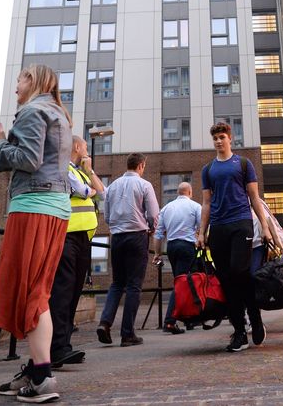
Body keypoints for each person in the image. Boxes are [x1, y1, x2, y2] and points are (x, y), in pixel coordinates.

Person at [0, 64, 72, 403]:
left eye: (19, 79)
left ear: (32, 80)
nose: (16, 86)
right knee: (39, 290)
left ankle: (43, 377)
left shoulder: (32, 110)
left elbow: (27, 159)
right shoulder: (58, 112)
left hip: (33, 206)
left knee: (30, 290)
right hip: (55, 207)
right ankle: (35, 369)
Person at [198, 122, 273, 352]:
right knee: (227, 280)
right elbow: (206, 203)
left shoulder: (243, 164)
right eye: (215, 138)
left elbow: (255, 198)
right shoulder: (208, 170)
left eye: (222, 137)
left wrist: (266, 227)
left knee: (240, 272)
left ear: (230, 138)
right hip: (218, 228)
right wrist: (201, 232)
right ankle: (239, 331)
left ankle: (254, 315)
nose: (218, 141)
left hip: (241, 224)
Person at [48, 135, 105, 367]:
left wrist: (90, 172)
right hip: (66, 236)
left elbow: (101, 191)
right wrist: (89, 187)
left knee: (73, 292)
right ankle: (56, 348)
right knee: (62, 291)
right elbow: (82, 191)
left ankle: (64, 345)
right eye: (83, 146)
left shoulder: (81, 170)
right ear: (76, 147)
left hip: (83, 238)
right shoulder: (63, 168)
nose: (85, 150)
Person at [97, 153, 159, 347]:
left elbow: (106, 216)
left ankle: (105, 323)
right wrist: (151, 227)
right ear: (141, 165)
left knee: (117, 283)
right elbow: (154, 214)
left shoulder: (113, 185)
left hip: (117, 237)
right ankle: (127, 333)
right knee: (133, 285)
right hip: (137, 236)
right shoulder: (144, 185)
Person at [152, 182, 201, 334]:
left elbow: (158, 233)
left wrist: (157, 253)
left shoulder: (166, 208)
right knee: (183, 283)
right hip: (188, 246)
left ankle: (190, 319)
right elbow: (202, 229)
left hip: (172, 247)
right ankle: (169, 322)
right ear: (190, 192)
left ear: (178, 192)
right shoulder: (195, 207)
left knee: (185, 282)